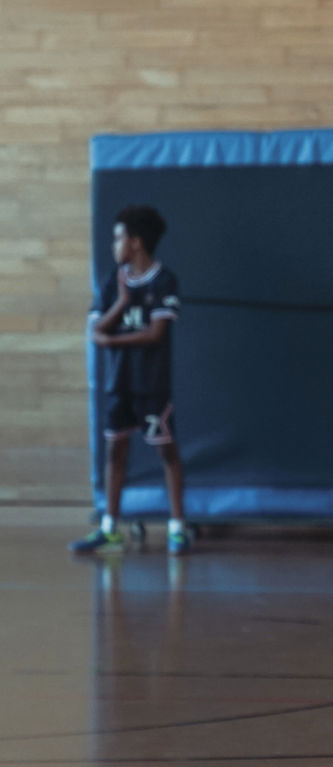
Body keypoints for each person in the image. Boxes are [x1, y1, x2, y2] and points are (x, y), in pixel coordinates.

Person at [70, 205, 191, 555]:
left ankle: (178, 527)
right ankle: (109, 528)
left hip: (151, 386)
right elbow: (96, 330)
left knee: (167, 452)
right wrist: (122, 303)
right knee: (115, 453)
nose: (114, 245)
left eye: (118, 238)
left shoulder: (164, 280)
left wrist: (112, 340)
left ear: (135, 242)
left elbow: (155, 334)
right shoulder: (114, 283)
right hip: (118, 384)